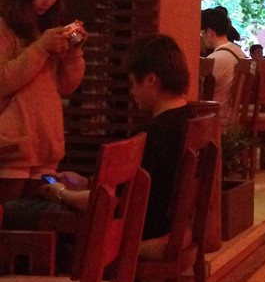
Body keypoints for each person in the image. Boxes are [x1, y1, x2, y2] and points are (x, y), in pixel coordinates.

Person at [38, 34, 191, 243]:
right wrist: (87, 183)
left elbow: (109, 202)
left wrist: (60, 192)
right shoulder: (192, 120)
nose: (131, 92)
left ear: (151, 80)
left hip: (140, 235)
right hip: (170, 230)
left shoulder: (150, 135)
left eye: (132, 83)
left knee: (18, 211)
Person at [0, 0, 87, 202]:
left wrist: (74, 53)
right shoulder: (5, 28)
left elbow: (66, 86)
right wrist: (41, 48)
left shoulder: (46, 28)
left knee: (35, 217)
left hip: (46, 146)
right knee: (10, 217)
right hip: (12, 147)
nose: (48, 2)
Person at [200, 7, 247, 124]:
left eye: (202, 33)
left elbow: (199, 91)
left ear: (210, 32)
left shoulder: (214, 60)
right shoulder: (240, 53)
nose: (201, 38)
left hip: (215, 118)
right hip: (233, 116)